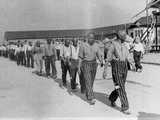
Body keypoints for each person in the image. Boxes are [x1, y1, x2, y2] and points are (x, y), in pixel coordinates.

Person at [106, 31, 131, 114]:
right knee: (120, 87)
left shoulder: (124, 45)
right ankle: (125, 107)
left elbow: (127, 56)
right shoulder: (113, 45)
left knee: (119, 86)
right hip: (116, 67)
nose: (126, 37)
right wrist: (105, 70)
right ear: (120, 37)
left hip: (124, 67)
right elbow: (108, 57)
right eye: (124, 35)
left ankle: (112, 98)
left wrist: (132, 63)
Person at [78, 33, 103, 105]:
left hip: (94, 64)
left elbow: (98, 54)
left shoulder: (96, 45)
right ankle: (91, 97)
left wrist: (101, 61)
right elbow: (80, 57)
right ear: (87, 38)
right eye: (90, 38)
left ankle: (88, 93)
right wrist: (79, 67)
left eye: (93, 38)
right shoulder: (83, 45)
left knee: (91, 81)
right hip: (85, 63)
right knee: (88, 80)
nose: (92, 39)